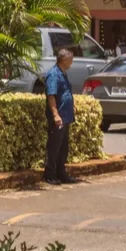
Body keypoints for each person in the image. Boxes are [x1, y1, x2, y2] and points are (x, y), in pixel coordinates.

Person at [43, 48, 80, 185]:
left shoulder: (63, 73)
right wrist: (55, 115)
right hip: (58, 117)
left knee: (63, 147)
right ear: (64, 60)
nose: (72, 62)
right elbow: (51, 96)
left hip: (66, 116)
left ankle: (61, 172)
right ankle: (50, 174)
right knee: (54, 146)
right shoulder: (54, 74)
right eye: (70, 59)